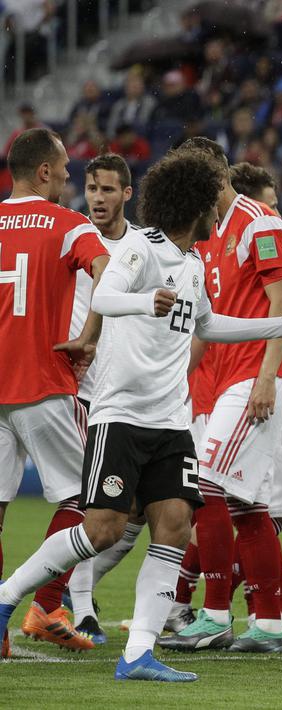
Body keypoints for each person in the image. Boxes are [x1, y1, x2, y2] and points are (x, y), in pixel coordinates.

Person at [0, 149, 282, 681]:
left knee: (174, 524)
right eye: (212, 201)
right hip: (120, 416)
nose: (220, 211)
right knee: (100, 529)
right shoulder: (142, 249)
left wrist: (277, 327)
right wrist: (147, 303)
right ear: (194, 204)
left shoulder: (192, 264)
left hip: (170, 422)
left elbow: (208, 326)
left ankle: (139, 653)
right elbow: (108, 293)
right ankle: (7, 597)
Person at [160, 137, 282, 654]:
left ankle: (215, 613)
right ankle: (268, 624)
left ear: (219, 176)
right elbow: (205, 325)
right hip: (223, 382)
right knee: (246, 504)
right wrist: (177, 379)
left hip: (254, 378)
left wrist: (267, 377)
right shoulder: (206, 237)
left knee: (206, 486)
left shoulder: (259, 223)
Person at [0, 129, 109, 658]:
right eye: (65, 169)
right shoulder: (68, 225)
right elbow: (107, 272)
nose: (70, 177)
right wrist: (89, 335)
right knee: (86, 500)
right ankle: (45, 605)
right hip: (42, 383)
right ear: (43, 171)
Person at [64, 154, 148, 645]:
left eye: (109, 190)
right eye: (93, 188)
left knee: (131, 510)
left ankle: (78, 589)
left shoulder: (142, 247)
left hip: (122, 391)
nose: (98, 198)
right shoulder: (73, 236)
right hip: (75, 387)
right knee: (86, 503)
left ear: (127, 194)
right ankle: (80, 611)